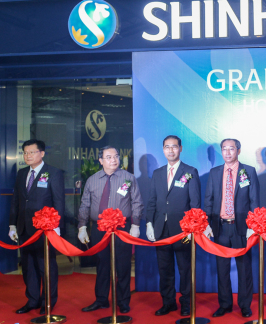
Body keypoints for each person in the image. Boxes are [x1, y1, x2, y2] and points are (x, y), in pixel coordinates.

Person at [78, 145, 143, 314]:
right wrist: (82, 226)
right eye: (109, 157)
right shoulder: (92, 180)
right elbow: (85, 204)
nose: (113, 160)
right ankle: (101, 300)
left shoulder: (128, 178)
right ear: (101, 161)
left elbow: (136, 202)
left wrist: (135, 224)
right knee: (101, 265)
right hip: (99, 228)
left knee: (122, 265)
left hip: (122, 228)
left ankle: (123, 301)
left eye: (115, 156)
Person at [145, 135, 200, 316]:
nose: (171, 150)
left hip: (183, 231)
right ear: (163, 150)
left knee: (185, 270)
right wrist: (149, 224)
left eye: (174, 147)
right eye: (167, 147)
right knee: (165, 269)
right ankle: (168, 302)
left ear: (180, 148)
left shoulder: (190, 171)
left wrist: (192, 228)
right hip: (161, 229)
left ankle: (186, 304)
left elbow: (195, 204)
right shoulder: (158, 173)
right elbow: (152, 201)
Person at [204, 138, 259, 318]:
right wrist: (206, 224)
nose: (227, 153)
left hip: (241, 227)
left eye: (231, 149)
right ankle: (225, 304)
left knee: (244, 269)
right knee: (222, 268)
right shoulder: (214, 172)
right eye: (224, 149)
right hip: (220, 227)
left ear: (239, 151)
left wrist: (253, 224)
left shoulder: (248, 171)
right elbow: (209, 200)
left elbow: (254, 201)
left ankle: (244, 305)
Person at [8, 139, 64, 315]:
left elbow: (59, 202)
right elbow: (16, 201)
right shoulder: (21, 173)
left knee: (46, 267)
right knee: (28, 267)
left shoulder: (53, 173)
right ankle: (32, 300)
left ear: (42, 153)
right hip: (24, 228)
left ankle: (48, 302)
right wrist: (12, 225)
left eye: (32, 152)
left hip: (44, 230)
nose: (28, 156)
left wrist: (56, 226)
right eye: (25, 153)